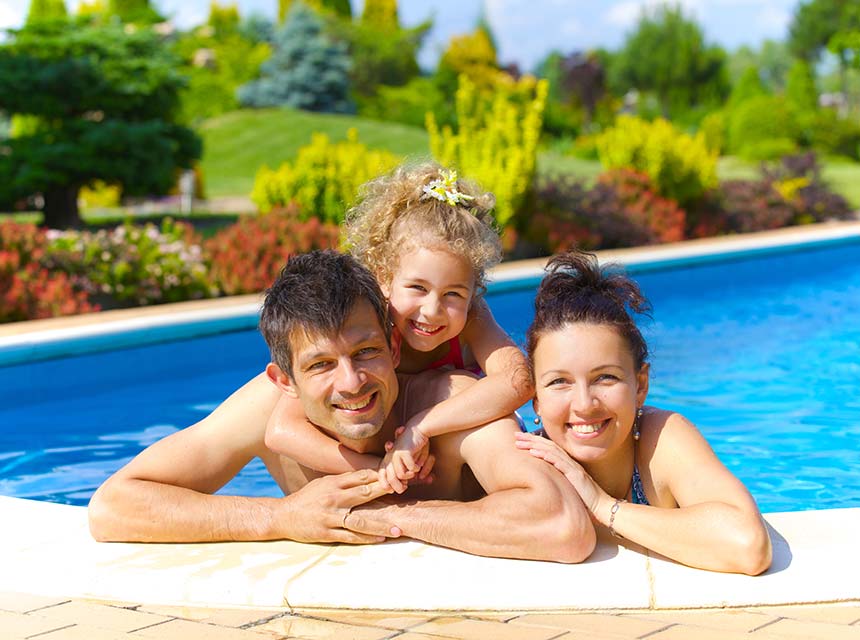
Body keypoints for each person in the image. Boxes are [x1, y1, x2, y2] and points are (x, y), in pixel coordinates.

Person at [88, 250, 594, 563]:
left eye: (366, 352)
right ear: (283, 379)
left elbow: (562, 527)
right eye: (320, 365)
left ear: (394, 347)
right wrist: (281, 518)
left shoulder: (449, 401)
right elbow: (114, 506)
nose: (351, 382)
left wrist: (399, 515)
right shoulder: (266, 406)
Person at [265, 164, 533, 492]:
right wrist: (378, 469)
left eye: (453, 293)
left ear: (473, 289)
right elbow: (279, 429)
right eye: (417, 288)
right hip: (391, 457)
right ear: (384, 276)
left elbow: (519, 380)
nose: (432, 311)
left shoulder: (473, 316)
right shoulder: (363, 323)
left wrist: (422, 426)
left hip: (457, 458)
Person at [515, 250, 773, 575]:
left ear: (640, 385)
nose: (584, 403)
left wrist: (602, 505)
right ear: (535, 399)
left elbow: (748, 546)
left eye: (604, 377)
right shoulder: (525, 460)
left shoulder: (662, 438)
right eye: (559, 382)